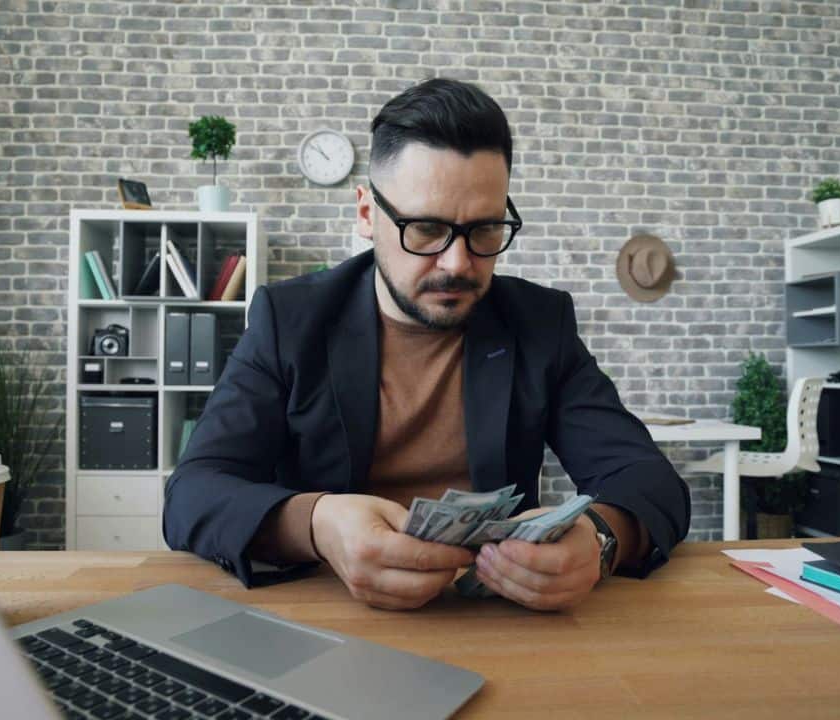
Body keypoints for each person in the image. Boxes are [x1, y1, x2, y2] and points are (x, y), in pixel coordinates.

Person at [164, 77, 690, 611]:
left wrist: (602, 537)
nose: (458, 263)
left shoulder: (539, 323)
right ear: (368, 214)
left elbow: (648, 479)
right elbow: (192, 494)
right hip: (326, 616)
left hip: (499, 621)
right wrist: (318, 523)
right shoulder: (290, 319)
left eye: (485, 230)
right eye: (425, 229)